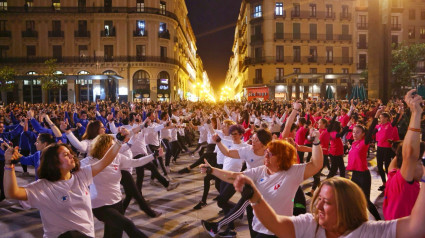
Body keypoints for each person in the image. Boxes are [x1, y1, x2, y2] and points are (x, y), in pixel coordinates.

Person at [201, 130, 323, 237]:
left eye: (270, 154)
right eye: (266, 152)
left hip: (278, 231)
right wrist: (211, 170)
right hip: (258, 226)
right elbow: (234, 177)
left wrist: (316, 142)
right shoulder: (260, 171)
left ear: (281, 157)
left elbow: (316, 164)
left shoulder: (292, 172)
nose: (266, 155)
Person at [3, 140, 122, 238]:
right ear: (54, 162)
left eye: (70, 152)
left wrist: (119, 141)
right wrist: (9, 165)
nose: (72, 155)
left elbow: (104, 162)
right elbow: (12, 193)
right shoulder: (44, 187)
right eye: (66, 154)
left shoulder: (81, 175)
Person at [81, 134, 161, 238]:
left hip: (117, 202)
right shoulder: (88, 161)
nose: (115, 150)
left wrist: (153, 156)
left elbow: (135, 162)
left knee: (114, 234)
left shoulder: (117, 158)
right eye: (111, 147)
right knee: (128, 225)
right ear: (102, 146)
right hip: (101, 206)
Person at [383, 89, 425, 220]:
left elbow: (402, 157)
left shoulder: (393, 174)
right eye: (420, 163)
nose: (422, 167)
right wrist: (416, 113)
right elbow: (410, 155)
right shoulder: (403, 184)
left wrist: (400, 150)